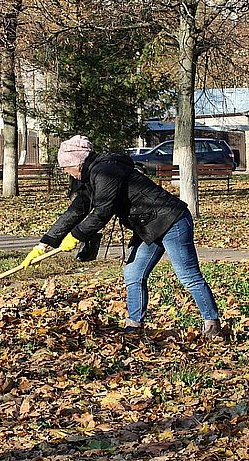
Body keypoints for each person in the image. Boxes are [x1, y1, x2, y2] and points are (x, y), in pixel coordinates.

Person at [21, 135, 223, 339]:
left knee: (188, 276)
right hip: (147, 227)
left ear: (77, 162)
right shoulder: (91, 179)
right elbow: (74, 212)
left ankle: (212, 323)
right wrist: (44, 243)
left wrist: (76, 236)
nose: (66, 172)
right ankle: (134, 326)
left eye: (66, 167)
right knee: (134, 274)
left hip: (172, 221)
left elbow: (102, 211)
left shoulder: (105, 172)